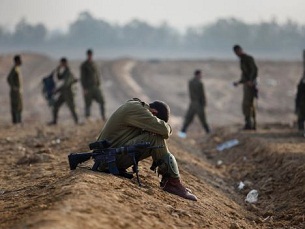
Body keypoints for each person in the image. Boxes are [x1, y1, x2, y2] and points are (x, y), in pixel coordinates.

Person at [96, 98, 197, 201]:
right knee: (156, 137)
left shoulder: (135, 107)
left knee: (151, 136)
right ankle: (173, 183)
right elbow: (164, 130)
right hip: (108, 159)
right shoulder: (136, 109)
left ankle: (171, 181)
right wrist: (165, 128)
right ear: (154, 112)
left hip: (108, 157)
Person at [233, 44, 258, 130]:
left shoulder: (248, 59)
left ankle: (252, 124)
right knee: (246, 105)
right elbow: (244, 74)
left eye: (238, 51)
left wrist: (251, 81)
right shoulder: (242, 60)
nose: (237, 53)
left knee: (249, 105)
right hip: (246, 84)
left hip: (251, 85)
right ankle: (249, 123)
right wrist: (239, 82)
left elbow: (254, 70)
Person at [178, 70, 210, 138]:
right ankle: (208, 133)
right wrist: (204, 103)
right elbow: (202, 94)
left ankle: (182, 133)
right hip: (198, 104)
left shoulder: (190, 82)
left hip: (192, 103)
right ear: (198, 75)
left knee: (188, 118)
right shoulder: (200, 83)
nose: (201, 76)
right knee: (203, 119)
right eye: (200, 75)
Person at [48, 57, 79, 125]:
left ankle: (77, 121)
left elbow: (66, 85)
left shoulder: (68, 72)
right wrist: (58, 69)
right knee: (56, 106)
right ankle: (54, 121)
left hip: (68, 93)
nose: (61, 64)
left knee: (72, 107)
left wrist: (57, 90)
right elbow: (59, 77)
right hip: (64, 93)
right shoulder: (65, 71)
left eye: (62, 63)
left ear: (65, 63)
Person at [80, 49, 106, 120]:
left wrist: (98, 84)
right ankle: (87, 117)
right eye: (89, 55)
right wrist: (84, 88)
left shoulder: (94, 64)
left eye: (91, 55)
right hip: (88, 87)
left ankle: (103, 116)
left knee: (102, 101)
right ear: (87, 55)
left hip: (95, 87)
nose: (90, 56)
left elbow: (97, 75)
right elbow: (83, 77)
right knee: (88, 103)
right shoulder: (84, 65)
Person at [7, 55, 23, 124]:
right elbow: (9, 78)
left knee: (19, 106)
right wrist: (14, 87)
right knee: (16, 107)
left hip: (18, 92)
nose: (21, 61)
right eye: (20, 60)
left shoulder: (17, 69)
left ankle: (18, 121)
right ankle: (16, 122)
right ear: (17, 61)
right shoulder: (14, 69)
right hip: (15, 93)